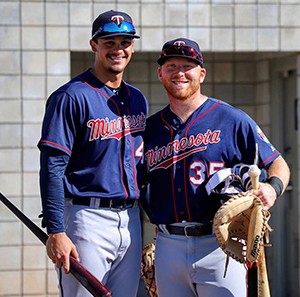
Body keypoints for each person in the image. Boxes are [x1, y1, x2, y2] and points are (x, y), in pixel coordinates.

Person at [141, 37, 290, 297]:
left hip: (221, 244)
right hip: (168, 244)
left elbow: (278, 164)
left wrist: (272, 189)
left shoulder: (231, 119)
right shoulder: (150, 129)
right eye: (171, 65)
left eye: (187, 66)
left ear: (201, 73)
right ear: (160, 73)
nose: (179, 73)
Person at [38, 10, 148, 297]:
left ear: (132, 47)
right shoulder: (70, 96)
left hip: (131, 219)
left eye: (124, 42)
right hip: (87, 218)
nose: (117, 49)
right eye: (109, 42)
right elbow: (52, 167)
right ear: (94, 45)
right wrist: (56, 230)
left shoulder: (137, 98)